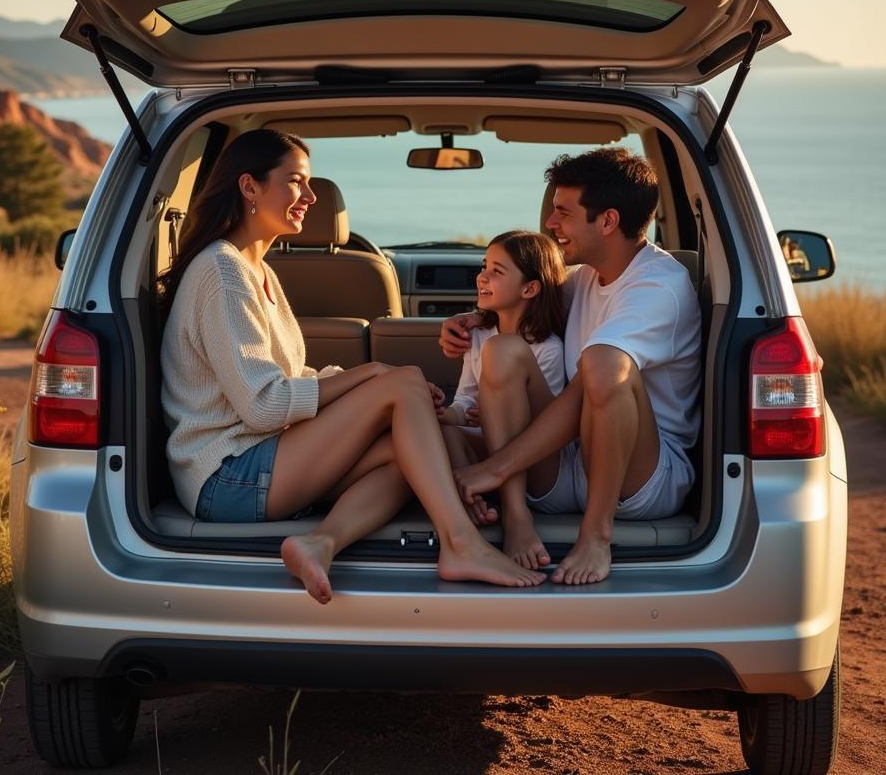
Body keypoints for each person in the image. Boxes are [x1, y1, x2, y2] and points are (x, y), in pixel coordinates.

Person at [159, 129, 545, 604]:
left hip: (256, 462)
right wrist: (372, 375)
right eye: (297, 181)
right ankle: (461, 543)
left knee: (410, 449)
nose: (311, 196)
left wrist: (377, 386)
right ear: (249, 187)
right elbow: (263, 406)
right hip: (226, 478)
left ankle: (319, 544)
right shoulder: (222, 272)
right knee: (401, 383)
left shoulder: (256, 270)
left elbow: (287, 378)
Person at [440, 147, 701, 586]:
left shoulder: (660, 285)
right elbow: (521, 301)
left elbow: (600, 377)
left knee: (603, 363)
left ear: (608, 221)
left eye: (563, 212)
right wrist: (470, 320)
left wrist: (496, 464)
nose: (550, 224)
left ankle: (596, 536)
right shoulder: (582, 278)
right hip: (565, 464)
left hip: (639, 479)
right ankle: (517, 516)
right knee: (502, 349)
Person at [433, 230, 566, 569]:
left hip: (531, 462)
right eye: (484, 266)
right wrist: (444, 413)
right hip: (486, 450)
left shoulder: (547, 349)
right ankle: (470, 501)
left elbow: (544, 426)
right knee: (443, 433)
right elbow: (464, 402)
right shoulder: (477, 337)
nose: (482, 276)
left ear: (530, 288)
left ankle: (515, 513)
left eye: (497, 271)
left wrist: (491, 414)